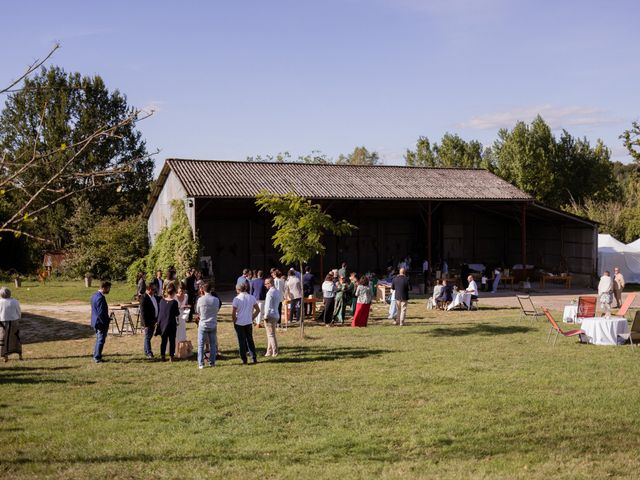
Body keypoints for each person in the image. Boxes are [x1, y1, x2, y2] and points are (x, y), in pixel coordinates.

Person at [232, 282, 260, 364]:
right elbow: (258, 310)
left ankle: (244, 359)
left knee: (241, 341)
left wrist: (234, 320)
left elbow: (233, 312)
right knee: (250, 340)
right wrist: (252, 317)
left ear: (238, 289)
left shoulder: (237, 299)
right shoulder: (251, 297)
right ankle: (253, 357)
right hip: (248, 322)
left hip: (239, 322)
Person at [195, 282, 220, 369]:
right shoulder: (216, 300)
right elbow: (216, 310)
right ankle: (212, 362)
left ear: (203, 290)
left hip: (203, 324)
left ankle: (201, 363)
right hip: (213, 323)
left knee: (201, 345)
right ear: (211, 289)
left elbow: (197, 311)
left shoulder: (200, 300)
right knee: (213, 344)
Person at [157, 282, 180, 362]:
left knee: (163, 341)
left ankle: (162, 356)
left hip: (163, 324)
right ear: (173, 292)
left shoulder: (162, 301)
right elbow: (177, 313)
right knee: (172, 341)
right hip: (171, 324)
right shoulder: (174, 302)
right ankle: (171, 356)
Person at [90, 281, 112, 364]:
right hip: (100, 323)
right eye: (108, 288)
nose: (109, 290)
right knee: (101, 340)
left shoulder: (94, 296)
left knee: (98, 339)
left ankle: (96, 354)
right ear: (104, 288)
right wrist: (107, 321)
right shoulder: (100, 298)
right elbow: (100, 313)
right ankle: (97, 357)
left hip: (96, 321)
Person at [0, 287, 22, 362]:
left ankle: (4, 356)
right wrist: (18, 318)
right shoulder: (15, 301)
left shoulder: (0, 302)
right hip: (14, 321)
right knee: (15, 338)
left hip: (3, 323)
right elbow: (18, 311)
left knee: (3, 339)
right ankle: (19, 355)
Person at [139, 283, 160, 359]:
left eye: (155, 289)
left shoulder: (155, 297)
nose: (154, 291)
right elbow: (143, 312)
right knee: (148, 337)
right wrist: (145, 324)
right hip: (148, 322)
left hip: (154, 320)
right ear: (148, 289)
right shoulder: (144, 298)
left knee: (148, 337)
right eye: (153, 289)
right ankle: (149, 352)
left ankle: (146, 351)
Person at [263, 277, 282, 356]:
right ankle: (269, 351)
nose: (265, 285)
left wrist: (265, 316)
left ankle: (275, 351)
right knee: (270, 334)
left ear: (270, 284)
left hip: (270, 315)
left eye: (266, 284)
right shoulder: (277, 291)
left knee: (271, 335)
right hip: (276, 314)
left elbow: (267, 305)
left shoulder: (270, 293)